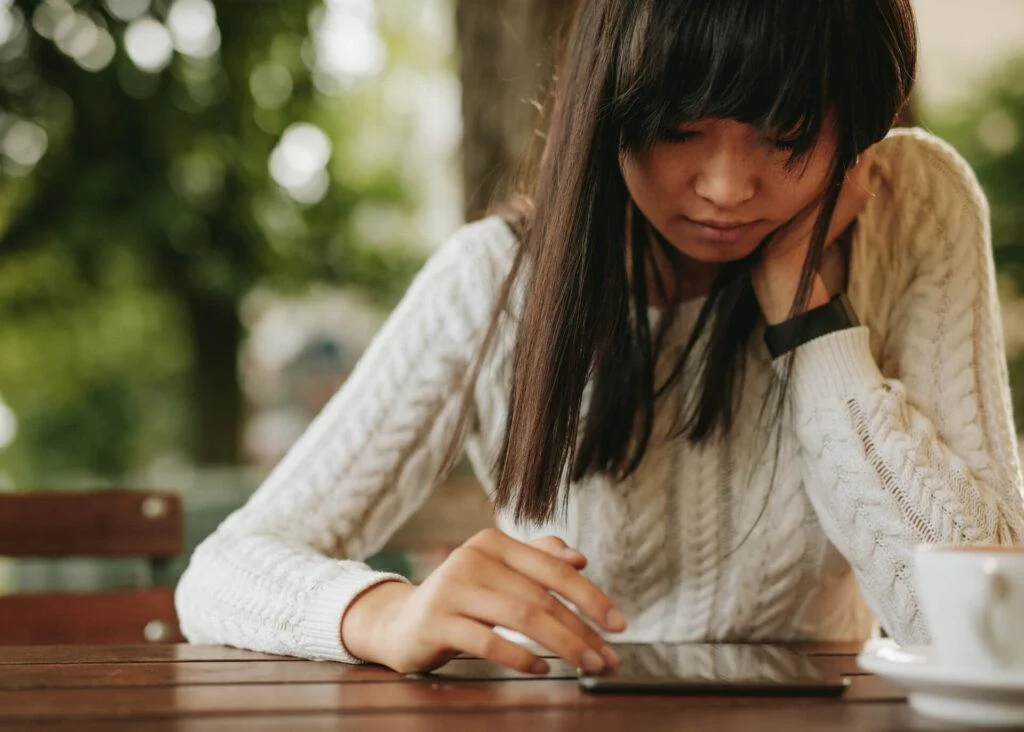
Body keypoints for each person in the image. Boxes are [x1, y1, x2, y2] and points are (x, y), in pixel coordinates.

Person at [175, 0, 1024, 678]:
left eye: (787, 133)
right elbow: (222, 572)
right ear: (610, 108)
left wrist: (808, 314)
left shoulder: (913, 207)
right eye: (681, 129)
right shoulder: (494, 282)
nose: (728, 188)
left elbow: (999, 618)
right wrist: (387, 612)